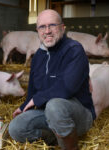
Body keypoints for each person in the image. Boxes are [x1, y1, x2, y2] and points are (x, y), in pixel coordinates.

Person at [8, 9, 96, 150]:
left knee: (54, 106)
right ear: (37, 31)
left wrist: (36, 100)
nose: (47, 31)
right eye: (42, 27)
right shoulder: (38, 57)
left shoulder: (74, 50)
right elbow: (33, 90)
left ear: (62, 27)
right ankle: (56, 138)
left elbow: (67, 88)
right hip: (48, 113)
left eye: (52, 25)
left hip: (78, 115)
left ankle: (70, 147)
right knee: (16, 128)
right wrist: (24, 106)